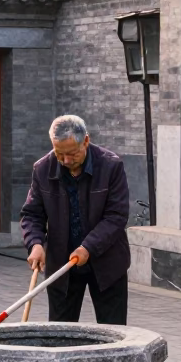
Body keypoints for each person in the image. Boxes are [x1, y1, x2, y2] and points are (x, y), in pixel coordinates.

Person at [21, 114, 130, 323]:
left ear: (86, 141)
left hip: (107, 263)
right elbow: (32, 214)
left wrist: (88, 247)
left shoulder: (111, 166)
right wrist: (35, 243)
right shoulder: (42, 169)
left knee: (113, 332)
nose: (66, 161)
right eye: (59, 153)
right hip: (62, 265)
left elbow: (116, 216)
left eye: (72, 153)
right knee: (60, 333)